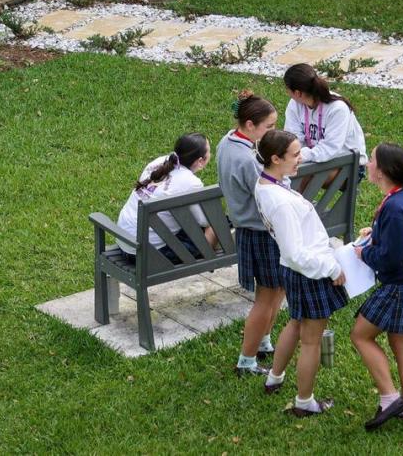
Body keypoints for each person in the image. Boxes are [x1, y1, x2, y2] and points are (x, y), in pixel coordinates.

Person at [254, 130, 348, 417]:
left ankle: (275, 377)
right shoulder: (281, 203)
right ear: (275, 158)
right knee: (310, 340)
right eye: (295, 154)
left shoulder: (270, 183)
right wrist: (332, 267)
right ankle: (304, 402)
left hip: (295, 272)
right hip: (307, 271)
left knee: (295, 324)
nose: (301, 158)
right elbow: (295, 252)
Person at [351, 143, 403, 431]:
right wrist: (375, 233)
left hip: (402, 286)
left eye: (372, 160)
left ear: (383, 171)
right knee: (402, 347)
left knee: (361, 335)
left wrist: (364, 253)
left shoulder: (396, 207)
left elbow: (391, 258)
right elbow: (402, 239)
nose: (368, 163)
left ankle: (390, 398)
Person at [216, 90, 281, 375]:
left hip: (252, 230)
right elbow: (268, 195)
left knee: (277, 290)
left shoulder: (227, 142)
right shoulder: (246, 159)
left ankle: (264, 342)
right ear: (250, 125)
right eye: (269, 126)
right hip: (260, 233)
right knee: (265, 299)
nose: (273, 132)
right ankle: (247, 361)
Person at [116, 133, 217, 263]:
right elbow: (204, 221)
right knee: (215, 226)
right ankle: (209, 263)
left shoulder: (160, 161)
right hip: (146, 253)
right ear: (200, 161)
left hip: (125, 242)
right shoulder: (191, 182)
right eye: (209, 152)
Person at [283, 63, 367, 184]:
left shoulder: (337, 108)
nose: (287, 93)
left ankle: (298, 203)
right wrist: (293, 156)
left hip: (348, 165)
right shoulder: (295, 104)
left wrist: (299, 156)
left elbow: (330, 148)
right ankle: (295, 201)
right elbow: (293, 138)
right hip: (314, 159)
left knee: (298, 174)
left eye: (287, 89)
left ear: (298, 93)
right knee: (282, 169)